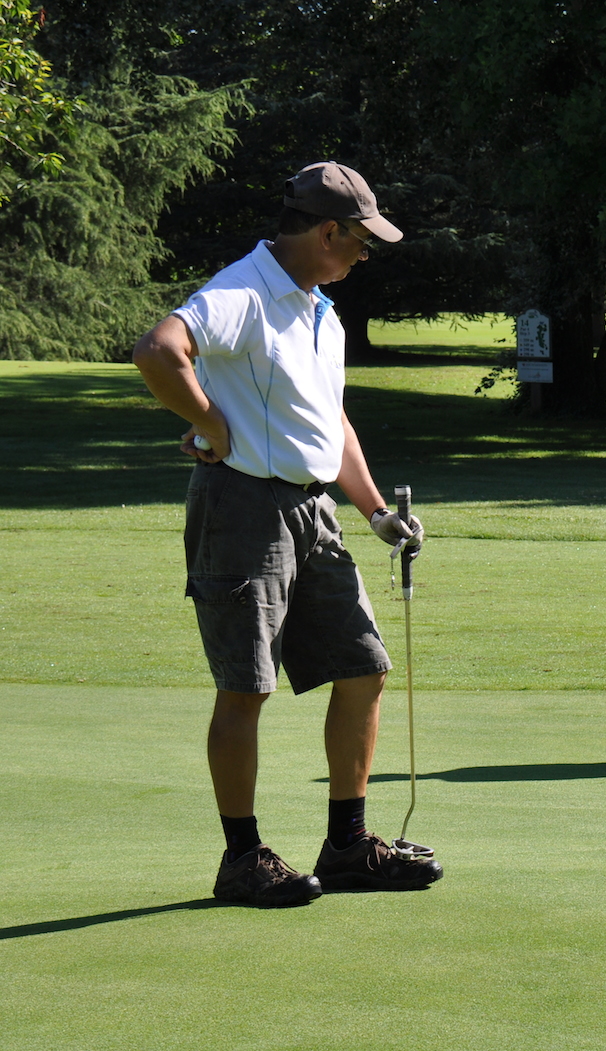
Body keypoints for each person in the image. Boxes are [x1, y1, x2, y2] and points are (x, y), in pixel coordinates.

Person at [132, 161, 443, 906]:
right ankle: (242, 859)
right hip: (242, 505)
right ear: (328, 231)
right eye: (361, 242)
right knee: (246, 686)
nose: (365, 257)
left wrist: (374, 512)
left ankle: (347, 847)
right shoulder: (241, 291)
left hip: (314, 512)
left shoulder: (318, 311)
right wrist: (210, 426)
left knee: (364, 665)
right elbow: (157, 351)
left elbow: (329, 424)